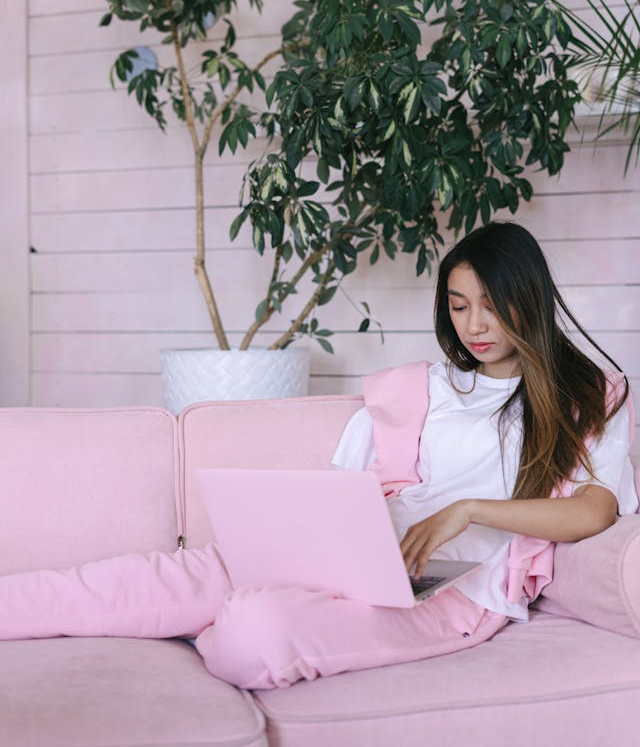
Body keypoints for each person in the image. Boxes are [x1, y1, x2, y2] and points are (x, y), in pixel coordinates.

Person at [0, 221, 636, 689]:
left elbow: (596, 511)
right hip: (350, 558)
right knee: (124, 582)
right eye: (459, 304)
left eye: (493, 306)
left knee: (255, 632)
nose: (474, 325)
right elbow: (343, 493)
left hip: (447, 594)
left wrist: (469, 510)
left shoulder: (588, 395)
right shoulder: (418, 387)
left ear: (532, 297)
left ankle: (214, 625)